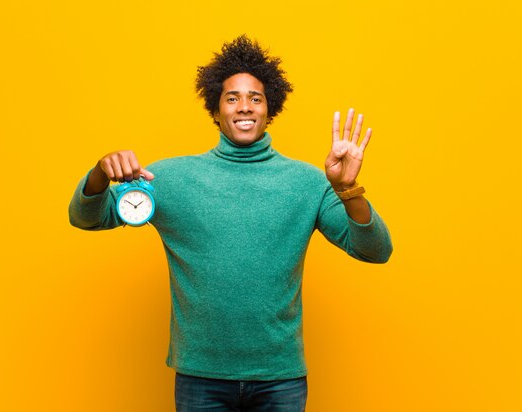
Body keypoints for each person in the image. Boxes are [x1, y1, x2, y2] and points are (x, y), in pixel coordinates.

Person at [69, 35, 392, 412]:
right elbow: (86, 218)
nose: (245, 107)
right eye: (232, 97)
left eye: (256, 98)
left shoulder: (307, 183)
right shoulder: (169, 179)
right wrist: (99, 172)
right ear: (216, 109)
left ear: (270, 108)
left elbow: (376, 250)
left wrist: (349, 189)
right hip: (201, 377)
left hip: (280, 378)